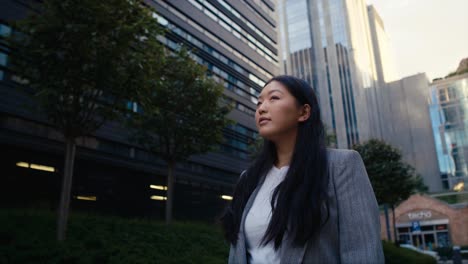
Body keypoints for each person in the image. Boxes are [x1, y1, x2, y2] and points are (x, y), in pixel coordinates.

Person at [220, 75, 384, 263]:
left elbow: (361, 250)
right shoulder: (248, 179)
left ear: (303, 112)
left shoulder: (341, 165)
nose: (262, 108)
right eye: (258, 103)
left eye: (274, 98)